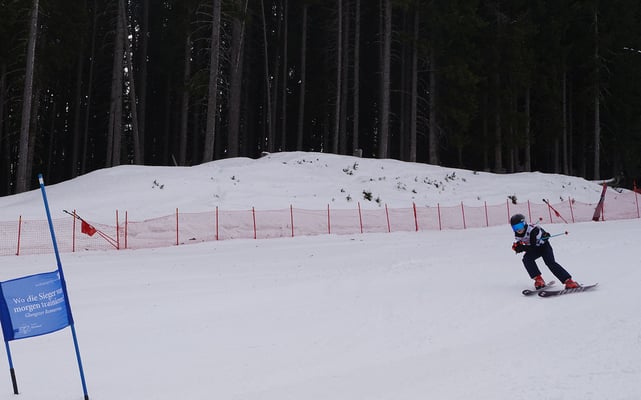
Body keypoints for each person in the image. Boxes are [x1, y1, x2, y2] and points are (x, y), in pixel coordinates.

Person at [510, 214, 579, 289]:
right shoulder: (517, 234)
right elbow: (522, 242)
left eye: (519, 226)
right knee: (526, 259)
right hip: (535, 249)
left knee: (550, 262)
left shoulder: (533, 230)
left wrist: (522, 248)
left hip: (544, 247)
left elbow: (532, 247)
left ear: (524, 223)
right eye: (515, 227)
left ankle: (568, 281)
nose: (518, 229)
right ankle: (538, 279)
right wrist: (517, 247)